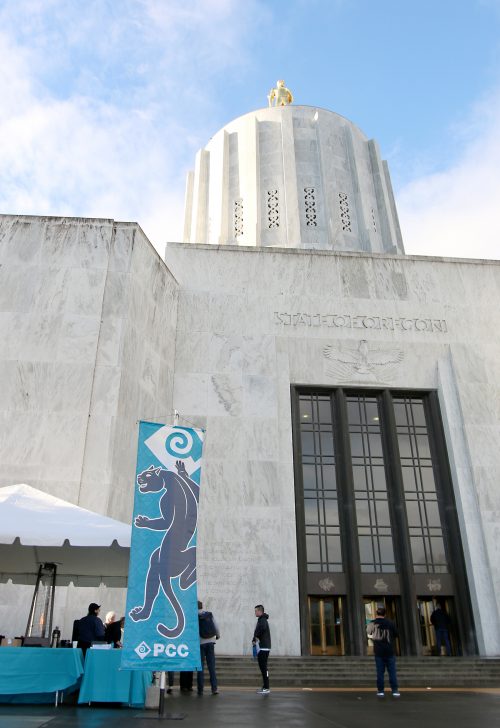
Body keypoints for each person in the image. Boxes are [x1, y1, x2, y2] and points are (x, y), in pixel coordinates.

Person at [367, 606, 400, 698]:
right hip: (390, 650)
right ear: (385, 614)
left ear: (377, 613)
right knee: (392, 671)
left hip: (378, 652)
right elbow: (397, 634)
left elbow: (368, 633)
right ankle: (395, 690)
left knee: (380, 672)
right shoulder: (391, 623)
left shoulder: (372, 623)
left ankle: (381, 690)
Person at [197, 600, 220, 695]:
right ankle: (214, 688)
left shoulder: (195, 617)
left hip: (200, 643)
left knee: (200, 667)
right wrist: (217, 636)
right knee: (211, 667)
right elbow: (216, 626)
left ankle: (200, 689)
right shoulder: (209, 614)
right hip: (211, 642)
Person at [252, 604, 271, 695]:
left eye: (256, 611)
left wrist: (256, 637)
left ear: (260, 611)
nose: (255, 612)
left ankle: (266, 687)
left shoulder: (262, 620)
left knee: (263, 668)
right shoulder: (262, 619)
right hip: (263, 647)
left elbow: (262, 629)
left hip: (263, 647)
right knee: (263, 667)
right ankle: (265, 686)